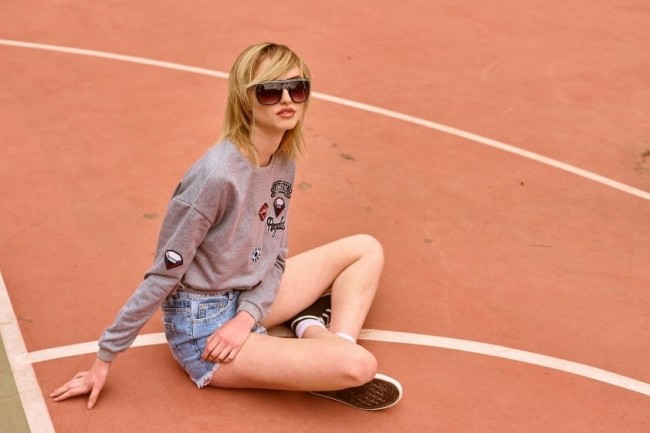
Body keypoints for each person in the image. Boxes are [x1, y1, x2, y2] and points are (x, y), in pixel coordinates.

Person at [50, 42, 402, 411]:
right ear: (245, 99)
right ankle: (317, 340)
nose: (286, 99)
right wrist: (104, 358)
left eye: (297, 88)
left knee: (366, 249)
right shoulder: (216, 177)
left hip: (248, 294)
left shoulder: (282, 163)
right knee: (359, 365)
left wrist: (247, 316)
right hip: (204, 328)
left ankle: (317, 341)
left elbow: (276, 254)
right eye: (270, 90)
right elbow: (163, 275)